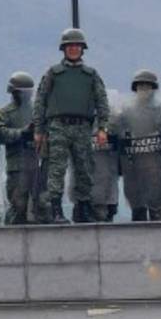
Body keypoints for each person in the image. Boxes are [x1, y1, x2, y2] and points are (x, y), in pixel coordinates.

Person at [32, 28, 110, 223]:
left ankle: (83, 208)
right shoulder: (53, 73)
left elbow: (102, 101)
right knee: (57, 169)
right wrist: (39, 130)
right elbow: (40, 101)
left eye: (77, 45)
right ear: (63, 49)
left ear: (83, 49)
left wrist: (103, 128)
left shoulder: (91, 75)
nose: (74, 49)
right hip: (58, 126)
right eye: (70, 46)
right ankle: (56, 210)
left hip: (83, 127)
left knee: (85, 168)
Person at [118, 69, 161, 221]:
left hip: (155, 164)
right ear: (135, 88)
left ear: (153, 89)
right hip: (134, 165)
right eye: (140, 86)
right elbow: (122, 136)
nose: (144, 90)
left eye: (147, 86)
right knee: (137, 207)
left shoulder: (160, 110)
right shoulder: (126, 111)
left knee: (158, 207)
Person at [0, 71, 46, 224]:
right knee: (18, 205)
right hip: (17, 165)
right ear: (13, 92)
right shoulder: (5, 113)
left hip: (38, 163)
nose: (25, 95)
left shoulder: (39, 111)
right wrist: (21, 132)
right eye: (21, 92)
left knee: (42, 205)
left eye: (27, 92)